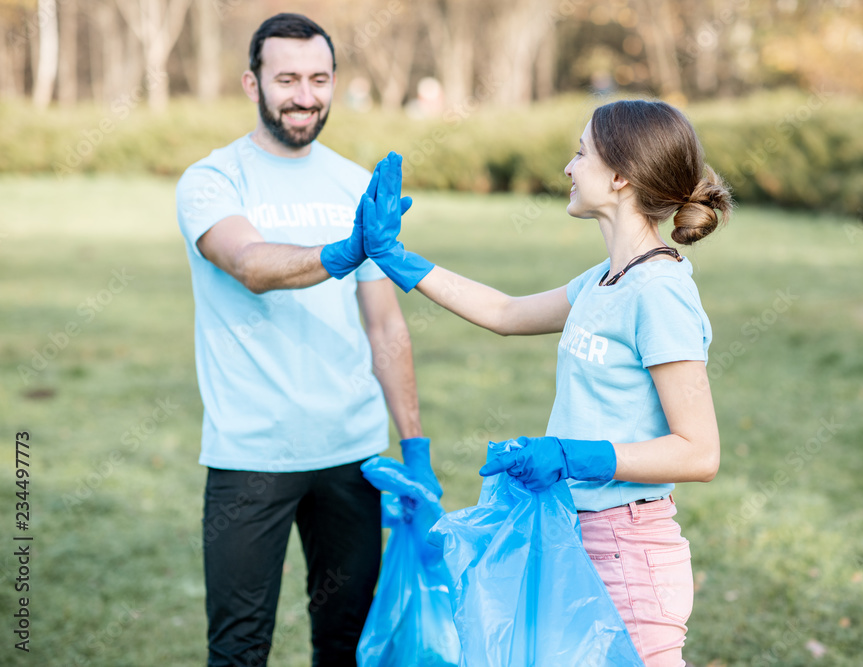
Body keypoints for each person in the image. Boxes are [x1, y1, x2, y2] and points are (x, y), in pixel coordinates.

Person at [359, 100, 731, 666]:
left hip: (628, 556)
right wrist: (396, 257)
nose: (569, 167)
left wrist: (569, 455)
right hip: (574, 537)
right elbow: (507, 313)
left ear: (620, 175)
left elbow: (699, 452)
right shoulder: (607, 280)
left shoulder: (659, 292)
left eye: (582, 152)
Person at [175, 13, 437, 667]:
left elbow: (385, 324)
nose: (304, 95)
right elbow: (251, 265)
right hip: (251, 456)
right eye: (286, 78)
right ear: (252, 82)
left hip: (351, 455)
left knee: (347, 646)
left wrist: (415, 447)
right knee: (238, 649)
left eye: (319, 78)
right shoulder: (212, 180)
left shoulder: (354, 185)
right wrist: (346, 249)